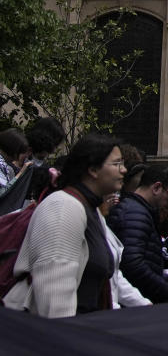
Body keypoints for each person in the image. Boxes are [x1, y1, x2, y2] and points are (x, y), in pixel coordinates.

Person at [5, 134, 128, 317]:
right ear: (93, 169)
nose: (124, 170)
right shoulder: (63, 207)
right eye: (117, 163)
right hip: (54, 338)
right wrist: (69, 341)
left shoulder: (91, 210)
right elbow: (54, 298)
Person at [106, 165, 168, 304]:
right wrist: (166, 292)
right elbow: (133, 265)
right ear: (156, 188)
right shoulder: (135, 213)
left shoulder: (139, 211)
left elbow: (147, 261)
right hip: (136, 302)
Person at [0, 128, 30, 192]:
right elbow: (3, 192)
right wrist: (21, 173)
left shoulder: (5, 165)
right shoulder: (1, 164)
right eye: (21, 152)